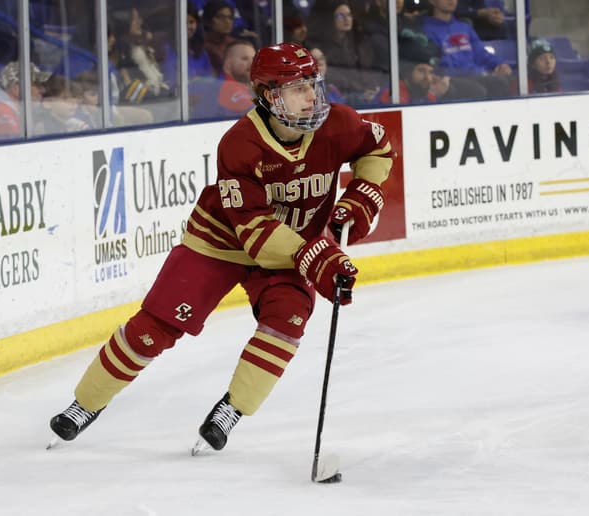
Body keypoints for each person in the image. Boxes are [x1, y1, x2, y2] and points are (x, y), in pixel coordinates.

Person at [49, 43, 394, 455]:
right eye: (298, 88)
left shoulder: (338, 123)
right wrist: (316, 257)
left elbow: (377, 148)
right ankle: (85, 403)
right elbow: (255, 232)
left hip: (292, 245)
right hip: (220, 242)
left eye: (312, 85)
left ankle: (232, 409)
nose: (311, 97)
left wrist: (362, 196)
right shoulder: (241, 143)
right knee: (155, 326)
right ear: (269, 95)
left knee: (286, 322)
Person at [420, 0, 512, 98]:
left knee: (501, 82)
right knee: (477, 90)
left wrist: (499, 64)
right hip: (450, 79)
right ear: (432, 1)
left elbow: (480, 53)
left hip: (475, 75)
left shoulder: (464, 27)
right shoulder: (425, 29)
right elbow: (437, 62)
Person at [0, 61, 51, 140]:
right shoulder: (0, 113)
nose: (43, 90)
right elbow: (11, 147)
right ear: (17, 88)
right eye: (37, 85)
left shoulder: (3, 109)